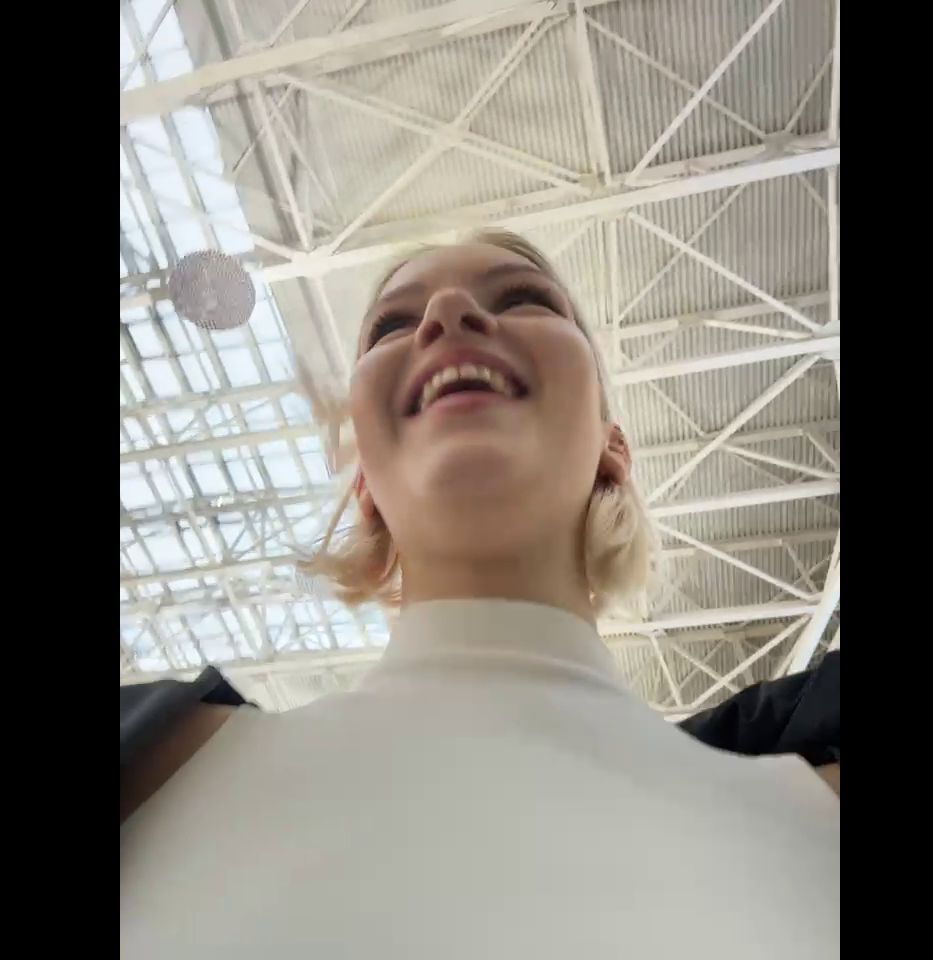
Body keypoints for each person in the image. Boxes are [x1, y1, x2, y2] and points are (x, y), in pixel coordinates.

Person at [120, 230, 839, 958]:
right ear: (365, 484)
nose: (449, 312)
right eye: (394, 325)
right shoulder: (150, 765)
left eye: (524, 300)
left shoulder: (813, 816)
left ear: (612, 450)